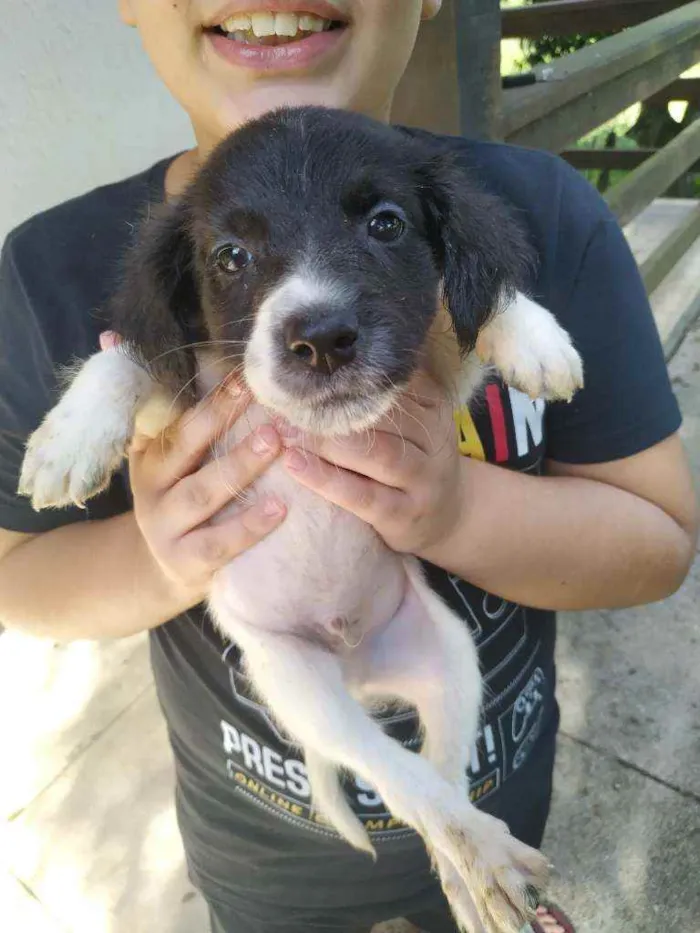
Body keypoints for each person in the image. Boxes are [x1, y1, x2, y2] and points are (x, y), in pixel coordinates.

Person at [0, 3, 697, 932]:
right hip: (252, 847)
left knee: (452, 676)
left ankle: (456, 822)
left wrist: (453, 507)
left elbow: (661, 541)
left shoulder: (535, 215)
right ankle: (421, 798)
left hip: (494, 749)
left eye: (378, 222)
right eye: (236, 256)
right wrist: (158, 551)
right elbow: (21, 570)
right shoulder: (55, 272)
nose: (317, 321)